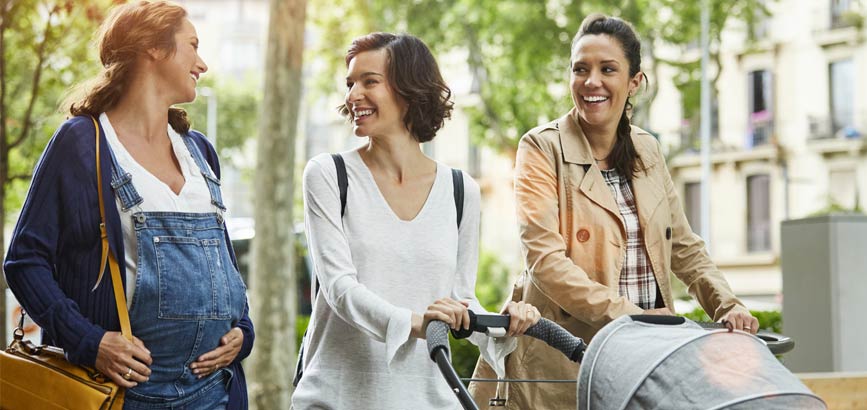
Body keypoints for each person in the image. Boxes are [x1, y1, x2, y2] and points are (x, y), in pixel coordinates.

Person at [470, 14, 759, 409]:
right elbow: (546, 262)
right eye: (580, 69)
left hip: (646, 359)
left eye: (608, 69)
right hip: (567, 357)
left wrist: (729, 305)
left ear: (634, 82)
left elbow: (684, 247)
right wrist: (634, 320)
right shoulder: (541, 148)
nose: (592, 82)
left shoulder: (648, 150)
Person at [4, 1, 254, 409]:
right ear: (153, 48)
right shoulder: (83, 144)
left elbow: (222, 264)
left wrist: (244, 330)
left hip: (214, 393)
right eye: (193, 45)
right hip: (124, 395)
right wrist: (90, 341)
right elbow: (24, 261)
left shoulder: (200, 152)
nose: (202, 63)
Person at [291, 32, 540, 409]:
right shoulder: (329, 175)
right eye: (350, 83)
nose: (353, 95)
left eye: (369, 81)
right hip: (337, 398)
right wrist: (417, 323)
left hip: (426, 399)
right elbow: (340, 289)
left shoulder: (460, 191)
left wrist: (504, 323)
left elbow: (459, 301)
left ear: (409, 90)